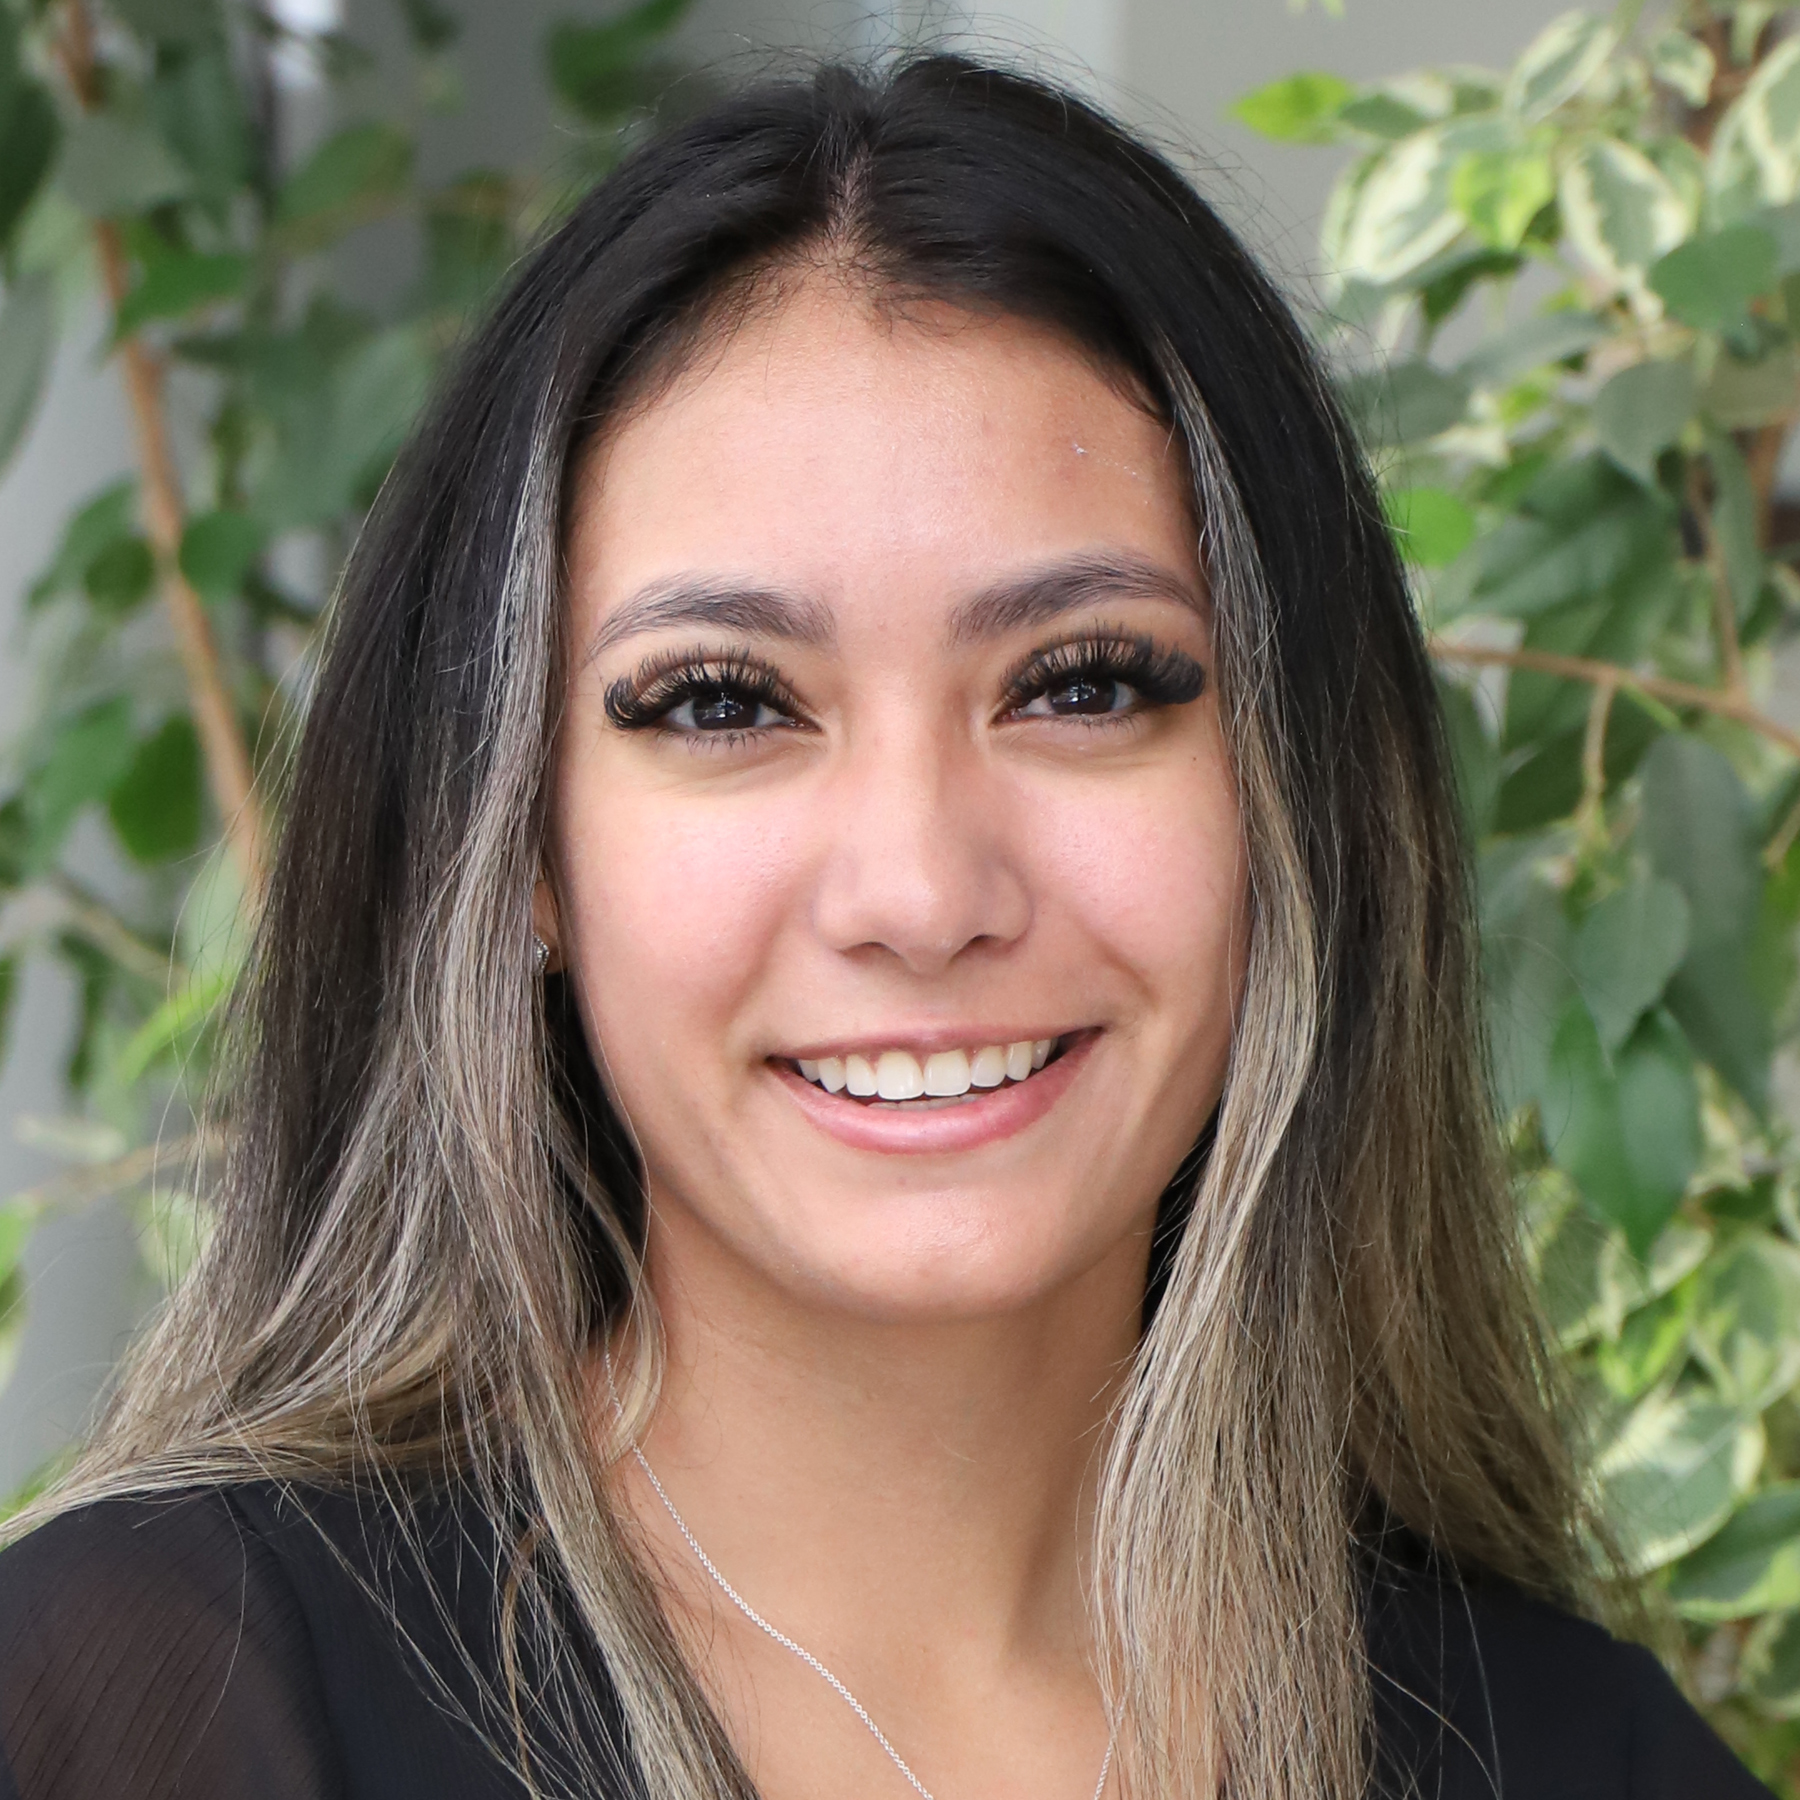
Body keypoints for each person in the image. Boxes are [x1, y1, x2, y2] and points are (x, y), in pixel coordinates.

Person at [0, 55, 1770, 1800]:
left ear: (1296, 805)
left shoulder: (1575, 1756)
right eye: (720, 704)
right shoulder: (166, 1707)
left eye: (1081, 684)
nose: (921, 896)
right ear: (518, 847)